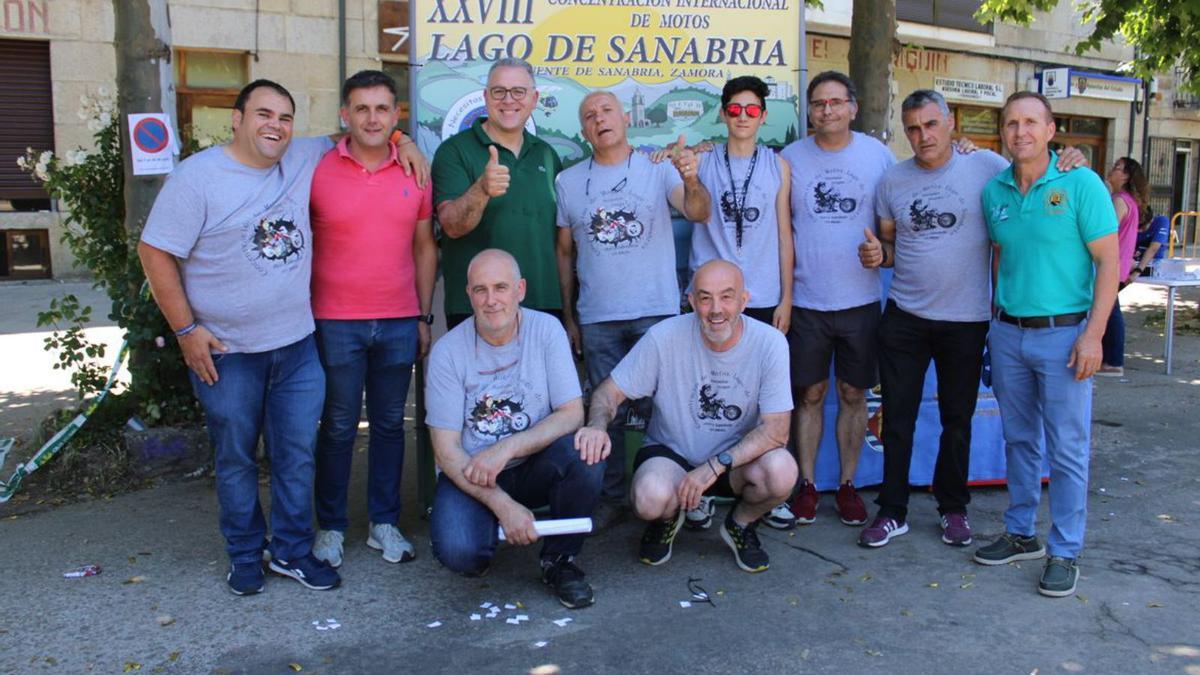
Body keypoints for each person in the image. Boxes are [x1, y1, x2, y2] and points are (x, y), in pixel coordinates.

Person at [138, 80, 339, 595]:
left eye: (286, 117)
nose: (276, 125)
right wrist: (186, 331)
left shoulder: (300, 157)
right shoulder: (198, 178)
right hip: (227, 354)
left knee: (297, 454)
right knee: (236, 457)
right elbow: (154, 251)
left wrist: (404, 143)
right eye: (264, 114)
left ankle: (292, 551)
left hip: (296, 348)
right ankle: (245, 555)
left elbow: (360, 130)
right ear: (237, 118)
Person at [975, 91, 1118, 599]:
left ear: (1052, 130)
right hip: (1009, 334)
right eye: (1011, 123)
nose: (1021, 132)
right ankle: (1020, 533)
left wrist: (1094, 335)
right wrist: (995, 322)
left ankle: (1065, 550)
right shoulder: (994, 191)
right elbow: (999, 257)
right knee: (1018, 441)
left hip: (1066, 336)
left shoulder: (1081, 183)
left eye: (1031, 122)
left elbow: (1108, 264)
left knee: (1067, 448)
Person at [855, 89, 1008, 548]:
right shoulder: (892, 182)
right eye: (914, 128)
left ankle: (954, 508)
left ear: (949, 123)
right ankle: (892, 509)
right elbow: (891, 248)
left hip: (966, 319)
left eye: (931, 125)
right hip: (906, 316)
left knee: (956, 419)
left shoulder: (987, 168)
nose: (923, 136)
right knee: (897, 418)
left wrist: (1073, 160)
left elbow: (1034, 183)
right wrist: (878, 254)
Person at [554, 91, 710, 531]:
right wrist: (570, 316)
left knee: (670, 409)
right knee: (607, 413)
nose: (598, 119)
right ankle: (612, 497)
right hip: (598, 317)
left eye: (606, 111)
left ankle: (682, 493)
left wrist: (693, 179)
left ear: (625, 118)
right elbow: (563, 253)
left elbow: (698, 212)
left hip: (657, 313)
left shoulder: (658, 168)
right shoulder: (567, 182)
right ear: (584, 130)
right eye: (589, 115)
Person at [577, 260, 796, 573]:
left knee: (782, 470)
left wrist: (714, 466)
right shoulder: (663, 337)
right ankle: (667, 519)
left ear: (744, 301)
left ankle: (740, 523)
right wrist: (597, 425)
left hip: (734, 461)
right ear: (691, 301)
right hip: (673, 454)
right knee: (648, 499)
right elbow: (606, 394)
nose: (715, 309)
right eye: (705, 298)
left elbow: (777, 431)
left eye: (726, 297)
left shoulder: (770, 342)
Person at [425, 249, 603, 609]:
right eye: (480, 290)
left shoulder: (547, 330)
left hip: (534, 464)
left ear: (520, 289)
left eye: (501, 287)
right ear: (468, 295)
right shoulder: (448, 352)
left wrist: (507, 448)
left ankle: (560, 560)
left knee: (586, 452)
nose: (491, 300)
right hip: (473, 474)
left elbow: (571, 414)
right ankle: (486, 530)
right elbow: (445, 450)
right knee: (461, 553)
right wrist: (502, 505)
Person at [308, 70, 436, 569]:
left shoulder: (414, 171)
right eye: (361, 108)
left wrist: (422, 313)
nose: (372, 118)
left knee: (389, 424)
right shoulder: (317, 168)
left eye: (382, 109)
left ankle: (384, 523)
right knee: (337, 426)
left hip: (400, 318)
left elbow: (425, 247)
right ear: (345, 114)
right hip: (335, 320)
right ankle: (331, 528)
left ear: (396, 114)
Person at [777, 71, 895, 527]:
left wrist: (880, 253)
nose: (826, 111)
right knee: (809, 394)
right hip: (806, 300)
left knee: (852, 392)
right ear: (810, 110)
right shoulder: (790, 158)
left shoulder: (877, 156)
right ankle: (807, 485)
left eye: (835, 102)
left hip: (859, 301)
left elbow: (892, 235)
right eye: (818, 103)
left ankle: (847, 485)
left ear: (852, 107)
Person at [433, 58, 563, 328]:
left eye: (518, 92)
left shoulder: (547, 155)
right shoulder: (454, 151)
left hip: (544, 306)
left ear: (534, 98)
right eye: (499, 91)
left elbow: (562, 243)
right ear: (485, 96)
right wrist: (482, 189)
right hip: (479, 310)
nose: (508, 100)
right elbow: (452, 226)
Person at [1099, 157, 1150, 377]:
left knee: (1109, 312)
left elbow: (1106, 229)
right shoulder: (1127, 199)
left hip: (1111, 264)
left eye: (1117, 168)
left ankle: (1113, 361)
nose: (1111, 170)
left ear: (1127, 176)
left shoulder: (1119, 200)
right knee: (1109, 310)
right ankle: (1110, 359)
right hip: (1118, 264)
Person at [1132, 210, 1170, 277]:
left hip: (1152, 265)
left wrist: (1138, 271)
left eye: (1142, 227)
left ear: (1151, 221)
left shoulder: (1161, 221)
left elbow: (1153, 248)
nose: (1139, 230)